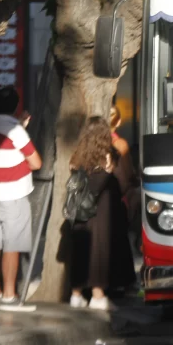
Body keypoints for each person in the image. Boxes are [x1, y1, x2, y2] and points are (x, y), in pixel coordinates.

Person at [69, 117, 135, 310]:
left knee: (81, 251)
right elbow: (123, 183)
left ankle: (76, 295)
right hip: (102, 212)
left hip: (80, 212)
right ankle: (98, 296)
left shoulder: (77, 156)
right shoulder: (109, 156)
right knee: (99, 252)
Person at [0, 87, 42, 312]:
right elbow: (37, 163)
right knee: (12, 245)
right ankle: (9, 296)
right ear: (17, 106)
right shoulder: (16, 131)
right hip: (14, 195)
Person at [110, 106, 140, 253]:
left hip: (102, 195)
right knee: (139, 195)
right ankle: (138, 239)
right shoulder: (120, 144)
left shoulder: (93, 141)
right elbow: (129, 173)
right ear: (119, 121)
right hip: (120, 195)